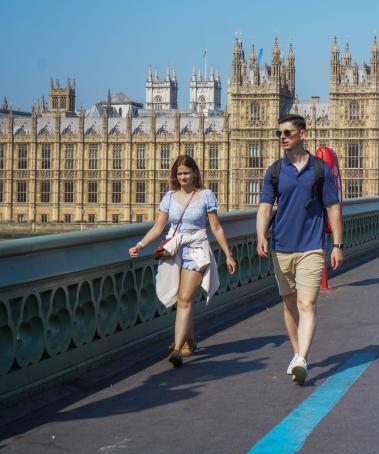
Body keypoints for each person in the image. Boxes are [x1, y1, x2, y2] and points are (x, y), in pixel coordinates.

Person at [256, 114, 344, 384]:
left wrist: (337, 244)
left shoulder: (320, 170)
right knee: (290, 304)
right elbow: (264, 207)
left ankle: (302, 358)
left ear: (302, 134)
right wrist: (260, 234)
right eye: (279, 133)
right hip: (282, 245)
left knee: (308, 303)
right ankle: (297, 354)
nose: (282, 137)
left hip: (312, 246)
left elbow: (333, 207)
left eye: (288, 133)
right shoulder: (273, 171)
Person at [129, 155, 237, 368]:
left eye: (186, 173)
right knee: (179, 299)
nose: (183, 177)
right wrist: (140, 245)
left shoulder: (206, 195)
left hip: (197, 249)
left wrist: (228, 254)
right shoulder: (169, 197)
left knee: (185, 299)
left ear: (194, 173)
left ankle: (176, 348)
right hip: (174, 250)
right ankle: (189, 339)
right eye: (179, 174)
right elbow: (159, 227)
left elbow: (216, 227)